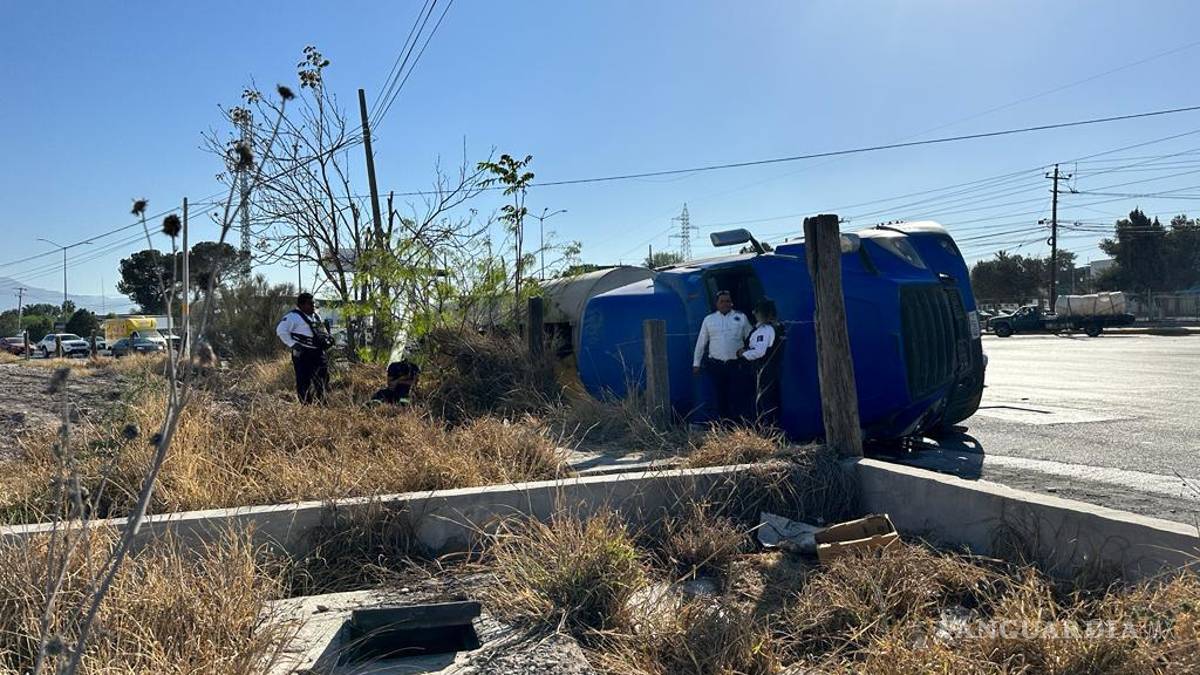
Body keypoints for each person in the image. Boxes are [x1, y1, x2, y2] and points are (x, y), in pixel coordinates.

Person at [692, 290, 752, 421]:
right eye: (722, 301)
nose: (725, 303)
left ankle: (738, 426)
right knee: (719, 396)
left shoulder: (741, 317)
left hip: (736, 364)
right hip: (716, 365)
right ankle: (723, 426)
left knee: (737, 395)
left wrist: (749, 352)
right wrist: (696, 363)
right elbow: (701, 342)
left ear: (732, 303)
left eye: (727, 301)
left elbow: (751, 337)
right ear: (717, 304)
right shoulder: (709, 319)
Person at [276, 292, 333, 404]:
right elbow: (281, 331)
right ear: (301, 305)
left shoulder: (316, 315)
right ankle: (306, 407)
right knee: (304, 382)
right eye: (310, 304)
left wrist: (327, 340)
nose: (313, 306)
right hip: (303, 354)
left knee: (323, 379)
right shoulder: (292, 317)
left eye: (314, 304)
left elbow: (321, 331)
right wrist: (293, 344)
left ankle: (322, 404)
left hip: (318, 353)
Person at [739, 298, 784, 425]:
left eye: (757, 311)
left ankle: (766, 430)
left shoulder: (765, 330)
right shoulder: (778, 326)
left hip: (763, 370)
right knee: (770, 399)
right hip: (772, 369)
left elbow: (759, 351)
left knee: (764, 401)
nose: (754, 314)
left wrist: (743, 354)